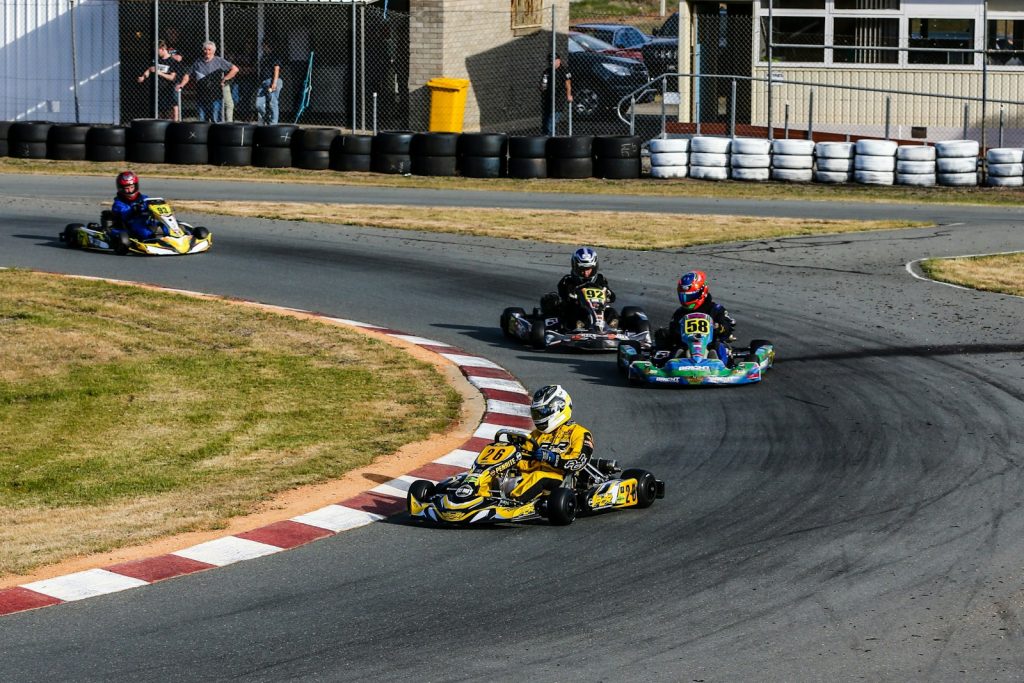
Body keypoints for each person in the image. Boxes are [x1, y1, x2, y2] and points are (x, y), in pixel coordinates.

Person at [509, 385, 594, 502]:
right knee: (508, 475)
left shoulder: (580, 433)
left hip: (560, 478)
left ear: (559, 407)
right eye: (536, 413)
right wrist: (514, 455)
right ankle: (481, 496)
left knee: (538, 476)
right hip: (533, 475)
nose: (538, 417)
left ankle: (513, 502)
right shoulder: (536, 435)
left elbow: (579, 461)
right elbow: (525, 461)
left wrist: (553, 458)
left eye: (543, 412)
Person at [657, 270, 736, 364]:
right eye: (684, 297)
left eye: (690, 297)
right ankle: (673, 368)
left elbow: (727, 329)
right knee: (678, 349)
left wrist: (719, 327)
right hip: (687, 347)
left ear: (702, 292)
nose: (686, 301)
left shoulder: (716, 309)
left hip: (710, 345)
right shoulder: (680, 312)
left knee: (718, 347)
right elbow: (673, 332)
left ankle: (720, 367)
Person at [540, 247, 617, 329]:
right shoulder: (568, 280)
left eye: (589, 269)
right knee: (554, 301)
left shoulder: (600, 280)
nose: (586, 273)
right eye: (582, 269)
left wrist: (608, 293)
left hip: (599, 309)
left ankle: (610, 327)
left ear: (594, 267)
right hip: (576, 309)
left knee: (611, 312)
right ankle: (579, 327)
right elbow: (563, 294)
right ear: (575, 267)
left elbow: (612, 297)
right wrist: (571, 295)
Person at [176, 41, 238, 122]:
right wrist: (182, 84)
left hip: (215, 96)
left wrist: (225, 79)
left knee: (215, 119)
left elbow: (235, 69)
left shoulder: (219, 61)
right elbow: (188, 74)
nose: (207, 52)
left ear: (214, 51)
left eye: (209, 50)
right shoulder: (198, 62)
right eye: (205, 49)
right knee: (202, 120)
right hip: (201, 95)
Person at [137, 41, 180, 120]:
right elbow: (150, 69)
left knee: (173, 106)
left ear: (163, 49)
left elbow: (172, 77)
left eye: (157, 51)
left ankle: (176, 123)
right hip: (158, 88)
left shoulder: (172, 61)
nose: (156, 53)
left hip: (169, 88)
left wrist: (159, 73)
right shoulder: (157, 60)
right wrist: (143, 77)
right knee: (160, 109)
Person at [110, 171, 156, 240]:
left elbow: (150, 206)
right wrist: (135, 210)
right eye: (127, 188)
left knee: (162, 224)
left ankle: (174, 236)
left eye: (132, 187)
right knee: (142, 230)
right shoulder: (119, 203)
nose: (130, 191)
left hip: (146, 221)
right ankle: (151, 239)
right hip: (130, 224)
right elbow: (125, 214)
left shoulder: (144, 198)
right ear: (121, 189)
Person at [539, 52, 572, 136]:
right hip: (547, 100)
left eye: (553, 60)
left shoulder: (564, 71)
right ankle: (544, 140)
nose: (551, 62)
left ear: (558, 60)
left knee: (550, 125)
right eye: (550, 61)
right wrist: (542, 86)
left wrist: (569, 95)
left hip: (558, 101)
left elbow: (568, 84)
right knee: (545, 123)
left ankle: (550, 140)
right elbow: (542, 86)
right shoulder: (547, 71)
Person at [255, 41, 284, 125]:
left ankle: (273, 124)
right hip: (263, 82)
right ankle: (268, 118)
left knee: (272, 103)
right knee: (258, 104)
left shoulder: (275, 56)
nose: (263, 47)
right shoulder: (264, 56)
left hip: (272, 80)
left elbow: (276, 69)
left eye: (264, 45)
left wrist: (274, 83)